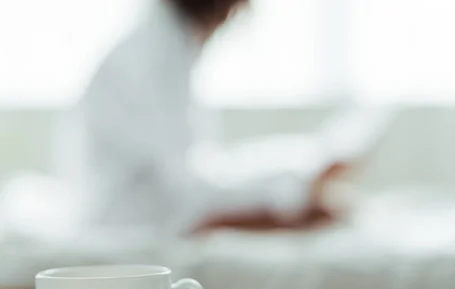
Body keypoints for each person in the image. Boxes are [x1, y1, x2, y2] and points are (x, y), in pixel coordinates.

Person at [79, 0, 347, 236]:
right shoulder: (153, 59)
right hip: (133, 223)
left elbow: (192, 172)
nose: (229, 17)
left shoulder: (165, 48)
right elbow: (177, 197)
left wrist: (289, 183)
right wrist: (281, 211)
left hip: (143, 212)